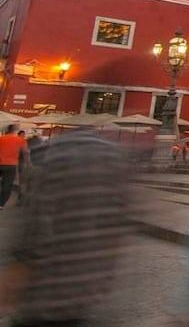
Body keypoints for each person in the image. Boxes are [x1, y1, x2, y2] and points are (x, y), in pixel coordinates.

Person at [4, 130, 130, 325]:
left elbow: (37, 228)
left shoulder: (57, 166)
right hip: (79, 292)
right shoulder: (113, 172)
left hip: (44, 291)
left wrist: (19, 270)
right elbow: (114, 232)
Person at [0, 124, 27, 208]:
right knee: (7, 184)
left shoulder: (1, 138)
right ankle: (1, 204)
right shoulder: (20, 140)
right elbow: (25, 153)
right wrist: (27, 163)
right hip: (11, 165)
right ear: (15, 131)